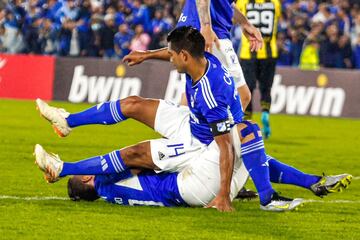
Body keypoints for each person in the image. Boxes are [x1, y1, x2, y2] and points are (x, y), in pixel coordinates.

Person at [35, 27, 319, 212]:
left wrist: (223, 194)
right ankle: (68, 121)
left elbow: (224, 147)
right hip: (190, 121)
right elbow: (177, 53)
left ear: (184, 56)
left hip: (198, 143)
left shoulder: (211, 95)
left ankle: (62, 168)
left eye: (172, 55)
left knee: (138, 153)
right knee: (133, 104)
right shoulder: (204, 58)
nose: (170, 59)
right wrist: (147, 55)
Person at [34, 146, 352, 209]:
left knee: (251, 154)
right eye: (88, 173)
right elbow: (144, 161)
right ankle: (272, 196)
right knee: (245, 134)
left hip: (184, 194)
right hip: (188, 186)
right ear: (88, 180)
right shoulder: (103, 180)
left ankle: (312, 182)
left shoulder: (107, 193)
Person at [236, 0, 282, 139]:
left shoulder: (243, 2)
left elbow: (236, 18)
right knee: (266, 88)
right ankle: (265, 113)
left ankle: (247, 124)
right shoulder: (275, 3)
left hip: (248, 52)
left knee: (247, 89)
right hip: (270, 52)